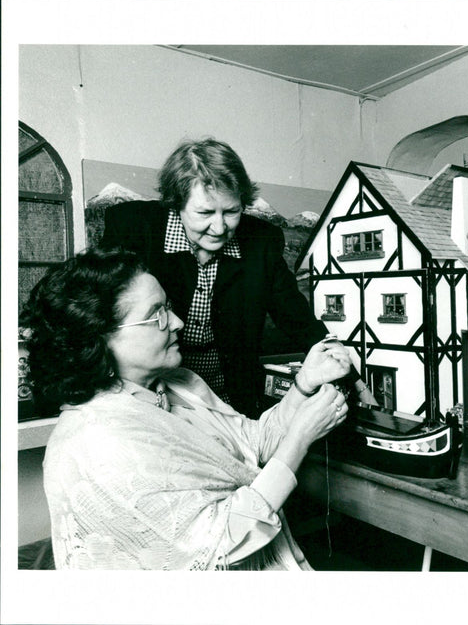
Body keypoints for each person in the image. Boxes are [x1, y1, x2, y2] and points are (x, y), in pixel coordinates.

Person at [24, 248, 352, 570]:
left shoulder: (178, 383)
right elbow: (218, 546)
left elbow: (253, 445)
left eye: (169, 306)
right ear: (98, 338)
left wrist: (303, 385)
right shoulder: (98, 441)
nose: (178, 322)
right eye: (157, 315)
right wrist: (300, 438)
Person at [100, 137, 374, 418]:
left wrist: (354, 380)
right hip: (150, 392)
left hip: (229, 390)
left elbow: (297, 319)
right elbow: (99, 315)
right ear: (176, 204)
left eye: (231, 212)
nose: (219, 227)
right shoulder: (132, 229)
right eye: (205, 213)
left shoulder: (261, 241)